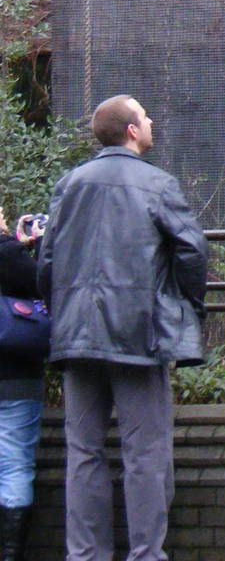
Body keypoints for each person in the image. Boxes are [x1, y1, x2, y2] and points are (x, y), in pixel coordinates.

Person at [38, 95, 207, 561]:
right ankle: (145, 554)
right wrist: (186, 307)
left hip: (75, 337)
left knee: (84, 452)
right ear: (132, 131)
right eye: (146, 117)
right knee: (145, 454)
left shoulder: (69, 183)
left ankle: (85, 555)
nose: (151, 121)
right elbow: (191, 252)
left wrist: (63, 310)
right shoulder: (158, 185)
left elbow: (47, 259)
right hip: (137, 335)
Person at [0, 209, 45, 560]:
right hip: (13, 377)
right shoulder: (7, 253)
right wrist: (34, 244)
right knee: (14, 464)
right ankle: (10, 552)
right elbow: (45, 285)